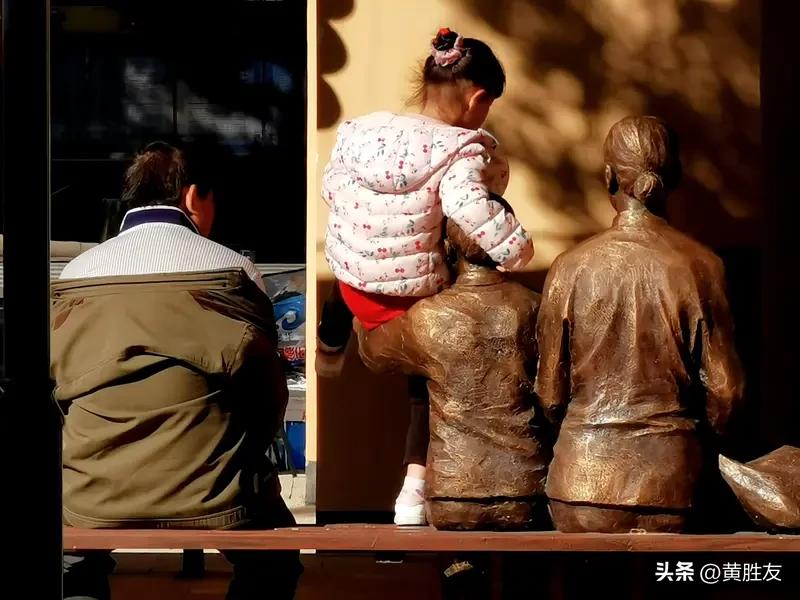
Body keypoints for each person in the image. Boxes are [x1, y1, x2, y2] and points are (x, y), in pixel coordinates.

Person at [53, 141, 302, 600]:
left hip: (92, 495)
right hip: (217, 492)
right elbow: (268, 395)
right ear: (192, 196)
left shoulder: (74, 276)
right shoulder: (234, 270)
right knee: (274, 563)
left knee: (71, 562)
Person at [317, 27, 534, 526]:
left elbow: (332, 189)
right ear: (478, 99)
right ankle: (413, 491)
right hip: (409, 303)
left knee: (343, 267)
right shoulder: (460, 149)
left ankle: (329, 344)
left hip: (353, 287)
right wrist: (517, 248)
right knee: (428, 383)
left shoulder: (361, 132)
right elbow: (470, 209)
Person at [535, 116, 745, 532]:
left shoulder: (569, 268)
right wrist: (694, 444)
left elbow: (549, 394)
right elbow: (727, 392)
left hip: (580, 483)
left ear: (609, 177)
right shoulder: (703, 266)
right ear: (676, 177)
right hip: (673, 482)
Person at [356, 204, 550, 531]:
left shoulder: (426, 316)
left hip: (452, 492)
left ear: (446, 247)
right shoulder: (536, 307)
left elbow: (372, 352)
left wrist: (368, 294)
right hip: (527, 490)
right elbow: (555, 396)